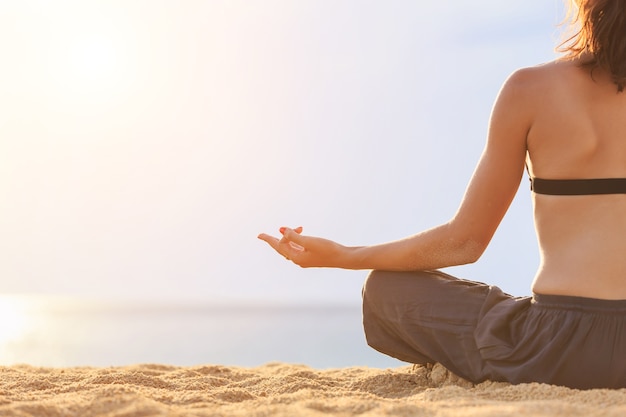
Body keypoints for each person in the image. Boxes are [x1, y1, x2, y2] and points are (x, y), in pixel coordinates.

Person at [258, 0, 626, 390]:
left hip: (552, 346)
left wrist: (344, 256)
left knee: (386, 288)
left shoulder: (529, 89)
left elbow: (464, 242)